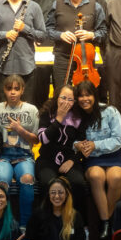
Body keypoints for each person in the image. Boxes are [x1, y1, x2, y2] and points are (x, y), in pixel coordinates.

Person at [75, 81, 121, 240]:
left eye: (88, 95)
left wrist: (95, 145)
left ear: (94, 96)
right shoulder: (75, 115)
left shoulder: (110, 111)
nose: (85, 99)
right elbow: (70, 139)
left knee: (116, 177)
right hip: (92, 159)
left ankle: (107, 221)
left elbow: (119, 139)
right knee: (96, 176)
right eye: (81, 96)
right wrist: (78, 145)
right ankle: (106, 222)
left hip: (113, 156)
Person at [0, 75, 39, 228]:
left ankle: (25, 226)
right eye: (9, 88)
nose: (13, 92)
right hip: (3, 155)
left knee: (27, 179)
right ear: (4, 90)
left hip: (24, 155)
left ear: (22, 90)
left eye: (16, 89)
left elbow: (36, 140)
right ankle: (4, 224)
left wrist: (20, 129)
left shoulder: (31, 109)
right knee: (2, 182)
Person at [46, 0, 106, 94]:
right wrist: (60, 35)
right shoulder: (57, 4)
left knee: (86, 95)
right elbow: (47, 30)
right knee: (62, 94)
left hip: (86, 60)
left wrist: (92, 35)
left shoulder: (95, 6)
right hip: (63, 58)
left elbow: (104, 31)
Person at [35, 84, 89, 213]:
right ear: (56, 97)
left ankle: (75, 219)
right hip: (47, 160)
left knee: (78, 183)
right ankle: (47, 218)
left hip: (70, 160)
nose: (66, 102)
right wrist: (59, 118)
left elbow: (83, 145)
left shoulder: (79, 117)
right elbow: (43, 139)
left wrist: (72, 161)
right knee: (48, 184)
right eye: (63, 98)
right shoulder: (47, 113)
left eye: (70, 100)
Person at [24, 177, 99, 240]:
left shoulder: (75, 215)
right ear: (48, 195)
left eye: (60, 192)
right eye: (53, 192)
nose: (57, 196)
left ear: (66, 194)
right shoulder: (37, 215)